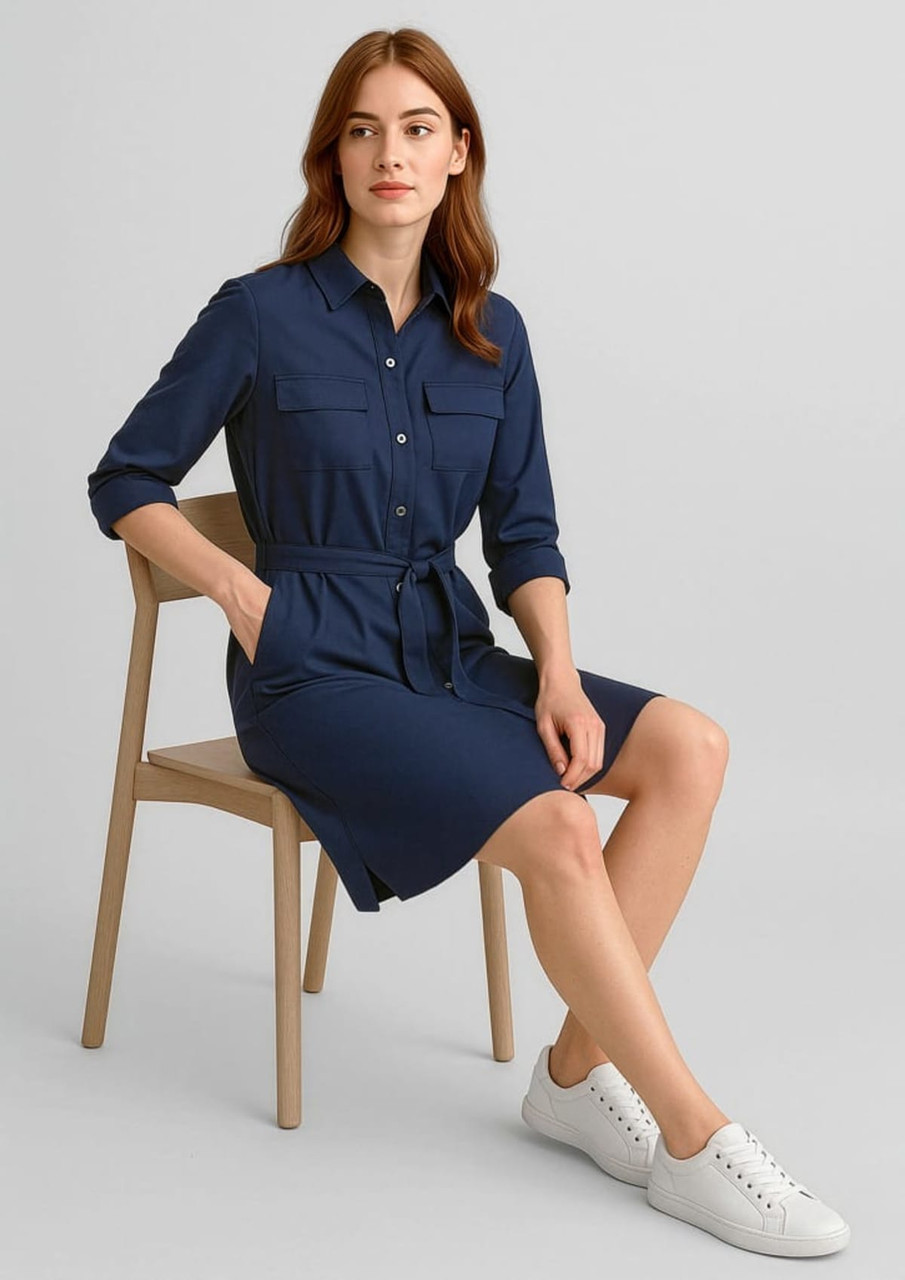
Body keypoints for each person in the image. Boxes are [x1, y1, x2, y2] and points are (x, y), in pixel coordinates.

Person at [86, 27, 849, 1258]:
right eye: (363, 129)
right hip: (312, 672)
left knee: (689, 748)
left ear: (457, 157)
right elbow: (125, 478)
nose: (391, 152)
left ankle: (568, 1073)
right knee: (557, 825)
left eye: (417, 128)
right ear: (331, 159)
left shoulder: (494, 333)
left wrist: (554, 668)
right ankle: (696, 1140)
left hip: (450, 652)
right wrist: (238, 590)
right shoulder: (259, 315)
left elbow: (525, 532)